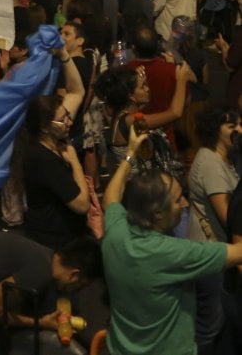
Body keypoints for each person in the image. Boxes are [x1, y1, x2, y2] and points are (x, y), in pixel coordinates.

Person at [103, 120, 242, 355]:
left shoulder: (116, 231)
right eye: (178, 200)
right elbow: (239, 252)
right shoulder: (174, 254)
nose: (184, 203)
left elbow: (110, 197)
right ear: (158, 213)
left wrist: (130, 154)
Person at [0, 232, 102, 336]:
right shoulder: (41, 273)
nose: (74, 291)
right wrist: (40, 323)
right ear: (75, 275)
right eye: (80, 286)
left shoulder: (45, 256)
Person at [5, 51, 88, 249]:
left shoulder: (49, 137)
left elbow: (77, 92)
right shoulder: (42, 158)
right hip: (57, 243)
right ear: (44, 126)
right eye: (63, 119)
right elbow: (82, 204)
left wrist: (65, 55)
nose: (69, 121)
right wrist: (75, 162)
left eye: (68, 115)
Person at [186, 106, 242, 353]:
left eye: (239, 124)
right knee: (213, 327)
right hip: (210, 257)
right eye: (231, 126)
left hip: (219, 255)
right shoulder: (210, 163)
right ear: (214, 131)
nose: (239, 130)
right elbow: (228, 217)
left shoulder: (226, 158)